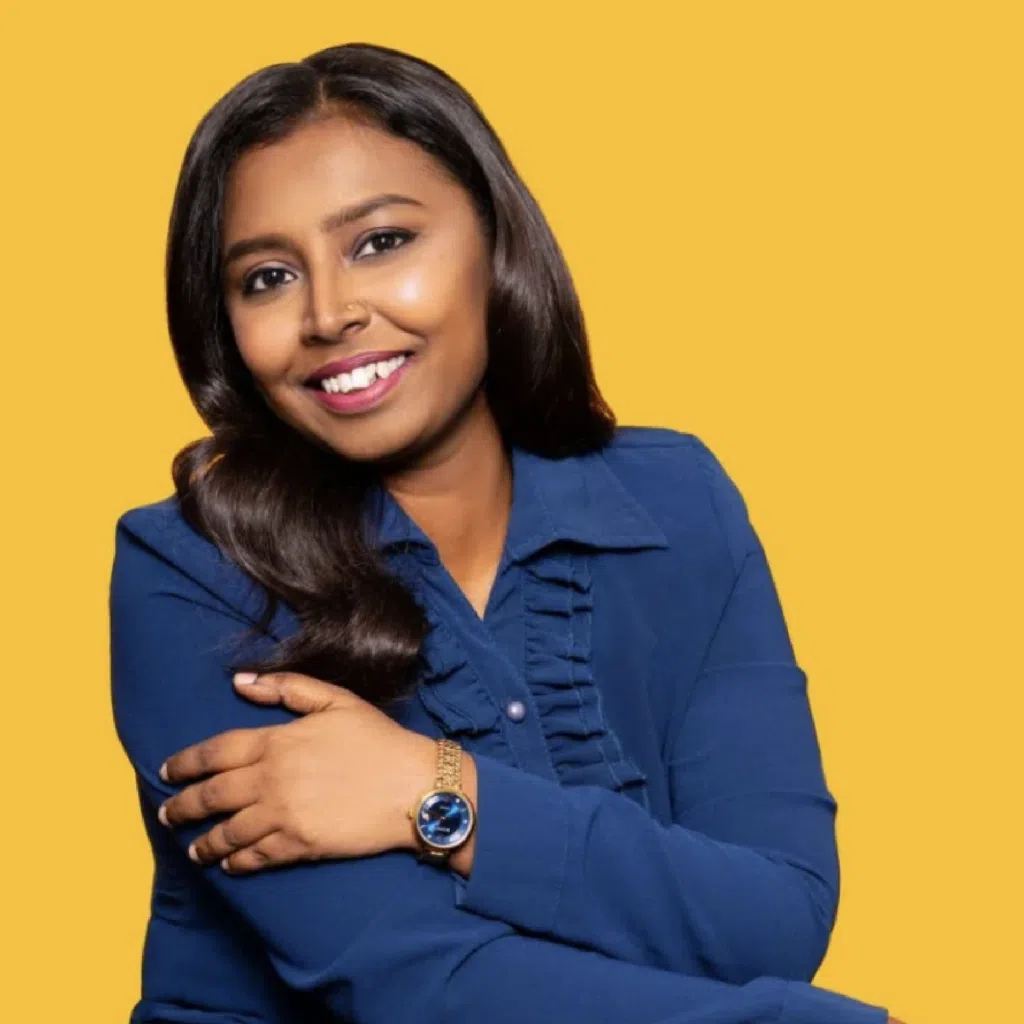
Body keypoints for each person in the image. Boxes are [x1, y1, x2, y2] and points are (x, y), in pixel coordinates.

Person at [109, 41, 905, 1024]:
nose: (328, 313)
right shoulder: (188, 568)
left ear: (492, 242)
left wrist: (434, 791)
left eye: (380, 242)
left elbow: (778, 916)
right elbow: (413, 981)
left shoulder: (676, 500)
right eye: (268, 277)